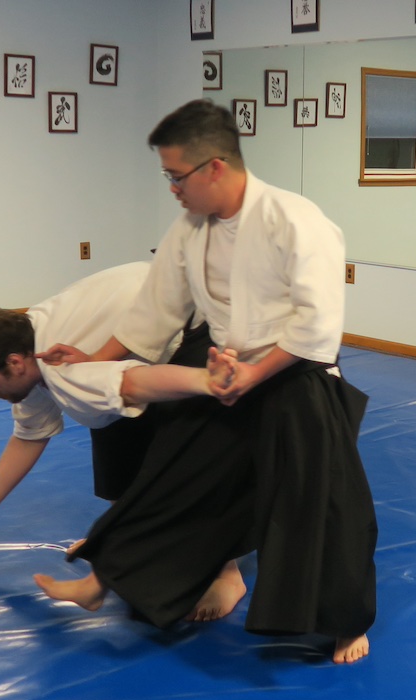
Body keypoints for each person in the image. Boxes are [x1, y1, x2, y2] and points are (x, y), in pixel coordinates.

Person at [35, 99, 378, 664]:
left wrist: (256, 373)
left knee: (322, 500)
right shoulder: (191, 227)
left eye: (176, 176)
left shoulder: (296, 220)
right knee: (173, 470)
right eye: (166, 177)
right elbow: (157, 309)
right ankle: (103, 584)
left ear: (214, 166)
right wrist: (93, 357)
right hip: (225, 369)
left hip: (297, 373)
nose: (172, 188)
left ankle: (344, 624)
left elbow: (318, 323)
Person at [0, 262, 245, 620]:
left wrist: (207, 382)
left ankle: (225, 572)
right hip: (133, 320)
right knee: (113, 440)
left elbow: (134, 384)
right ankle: (120, 543)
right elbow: (29, 436)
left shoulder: (67, 368)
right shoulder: (26, 352)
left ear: (15, 363)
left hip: (194, 321)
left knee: (186, 457)